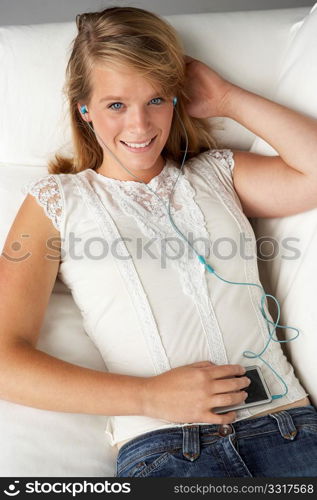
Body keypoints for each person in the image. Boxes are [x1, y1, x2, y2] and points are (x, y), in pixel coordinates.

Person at [1, 6, 317, 478]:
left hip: (289, 430)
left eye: (156, 99)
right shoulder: (57, 200)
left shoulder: (218, 175)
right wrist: (149, 395)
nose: (140, 126)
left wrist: (227, 98)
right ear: (83, 108)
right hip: (167, 451)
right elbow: (5, 358)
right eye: (115, 105)